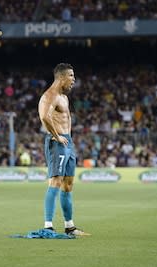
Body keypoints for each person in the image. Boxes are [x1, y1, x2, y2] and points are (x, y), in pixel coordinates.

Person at [38, 63, 90, 236]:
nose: (74, 80)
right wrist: (57, 135)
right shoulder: (50, 95)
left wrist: (67, 137)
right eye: (71, 76)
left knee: (68, 184)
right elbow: (44, 116)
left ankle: (70, 227)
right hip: (57, 142)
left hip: (68, 142)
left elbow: (65, 119)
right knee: (55, 181)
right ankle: (48, 226)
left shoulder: (64, 97)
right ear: (61, 77)